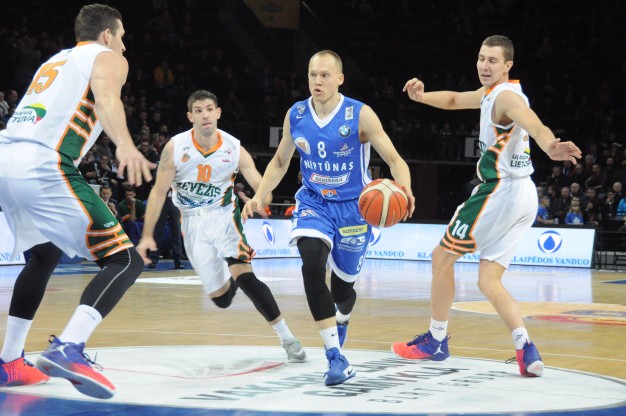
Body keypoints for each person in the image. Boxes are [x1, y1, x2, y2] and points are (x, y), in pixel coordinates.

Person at [391, 35, 581, 378]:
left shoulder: (506, 96)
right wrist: (422, 96)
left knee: (441, 257)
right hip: (524, 194)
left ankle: (436, 340)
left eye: (492, 60)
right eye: (481, 58)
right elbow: (453, 99)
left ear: (508, 65)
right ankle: (526, 349)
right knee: (489, 280)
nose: (484, 65)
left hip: (501, 191)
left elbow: (532, 121)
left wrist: (550, 144)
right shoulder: (489, 93)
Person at [0, 3, 155, 399]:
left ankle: (10, 362)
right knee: (126, 259)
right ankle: (68, 347)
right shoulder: (106, 56)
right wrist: (126, 145)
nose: (124, 47)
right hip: (42, 163)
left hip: (6, 159)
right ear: (107, 34)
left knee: (43, 255)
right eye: (122, 37)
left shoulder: (56, 60)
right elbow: (106, 99)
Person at [242, 50, 415, 386]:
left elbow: (395, 160)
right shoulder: (296, 114)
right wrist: (260, 195)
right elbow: (280, 162)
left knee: (342, 290)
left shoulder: (360, 114)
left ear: (340, 79)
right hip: (315, 202)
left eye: (324, 75)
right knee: (311, 265)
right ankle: (335, 356)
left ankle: (343, 318)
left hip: (354, 208)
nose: (317, 81)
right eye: (312, 74)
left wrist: (405, 189)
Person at [135, 90, 306, 362]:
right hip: (192, 222)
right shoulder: (176, 148)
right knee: (222, 300)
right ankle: (231, 273)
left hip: (224, 216)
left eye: (209, 109)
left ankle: (287, 338)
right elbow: (158, 192)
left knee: (246, 277)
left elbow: (263, 187)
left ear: (218, 113)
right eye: (198, 110)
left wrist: (257, 199)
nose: (205, 115)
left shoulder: (233, 148)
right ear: (190, 116)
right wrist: (146, 236)